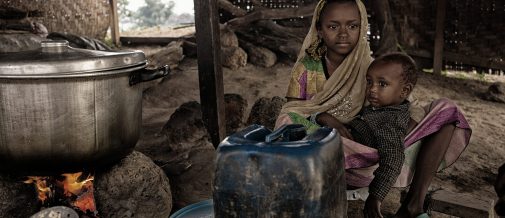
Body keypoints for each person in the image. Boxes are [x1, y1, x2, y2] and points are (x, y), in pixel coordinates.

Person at [274, 0, 472, 217]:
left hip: (375, 147)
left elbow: (401, 103)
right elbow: (293, 110)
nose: (343, 34)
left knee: (446, 111)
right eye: (333, 26)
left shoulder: (369, 66)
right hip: (335, 146)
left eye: (352, 26)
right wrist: (323, 116)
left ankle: (413, 204)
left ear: (362, 27)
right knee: (288, 123)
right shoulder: (306, 68)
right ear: (319, 30)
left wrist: (401, 129)